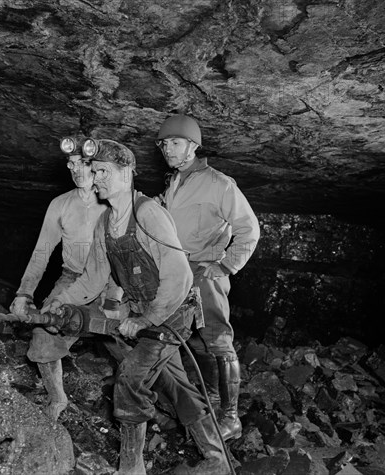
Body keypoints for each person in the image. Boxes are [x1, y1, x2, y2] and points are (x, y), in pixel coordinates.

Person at [44, 139, 230, 475]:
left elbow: (179, 276)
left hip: (173, 313)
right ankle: (215, 458)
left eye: (103, 171)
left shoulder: (147, 213)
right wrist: (60, 300)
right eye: (94, 170)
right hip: (147, 313)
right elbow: (92, 278)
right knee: (176, 385)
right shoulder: (105, 223)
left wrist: (146, 319)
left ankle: (133, 467)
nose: (96, 177)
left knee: (130, 378)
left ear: (126, 173)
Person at [155, 114, 260, 441]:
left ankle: (231, 418)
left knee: (217, 340)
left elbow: (249, 229)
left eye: (175, 143)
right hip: (177, 273)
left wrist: (226, 266)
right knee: (197, 340)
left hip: (205, 271)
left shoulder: (219, 184)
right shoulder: (174, 182)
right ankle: (212, 402)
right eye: (164, 144)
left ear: (194, 146)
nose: (167, 149)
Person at [10, 137, 111, 421]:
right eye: (72, 164)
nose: (77, 171)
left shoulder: (114, 203)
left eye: (85, 164)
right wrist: (24, 293)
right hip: (73, 278)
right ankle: (57, 399)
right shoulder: (60, 204)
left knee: (134, 339)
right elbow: (42, 251)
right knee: (44, 332)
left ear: (99, 166)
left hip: (112, 281)